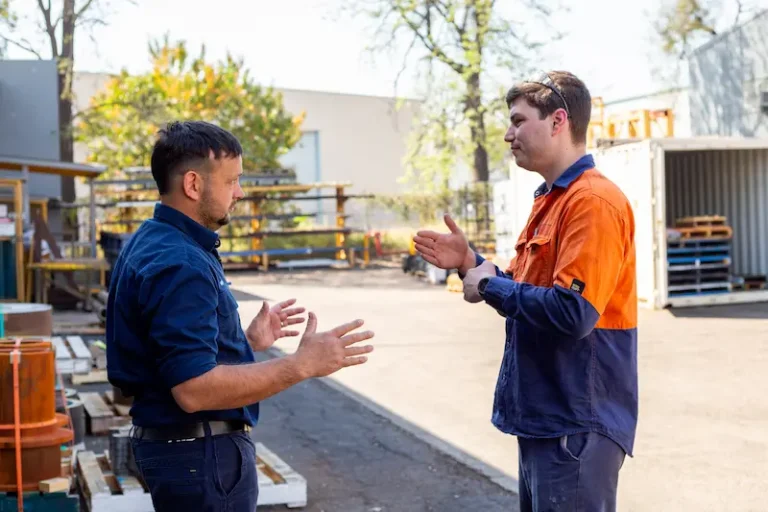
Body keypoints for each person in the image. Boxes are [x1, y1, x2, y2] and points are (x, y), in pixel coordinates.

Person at [106, 120, 375, 512]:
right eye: (231, 181)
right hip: (202, 457)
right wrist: (300, 365)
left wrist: (245, 343)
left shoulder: (157, 241)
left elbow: (169, 357)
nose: (240, 192)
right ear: (194, 185)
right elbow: (193, 389)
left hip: (188, 454)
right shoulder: (180, 262)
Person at [413, 71, 637, 512]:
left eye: (518, 121)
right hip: (546, 421)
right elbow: (524, 286)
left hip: (574, 424)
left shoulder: (592, 202)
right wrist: (471, 264)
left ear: (558, 121)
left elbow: (574, 313)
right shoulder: (552, 200)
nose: (507, 134)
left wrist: (491, 285)